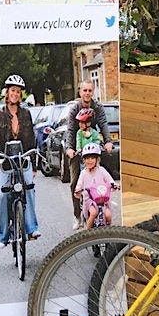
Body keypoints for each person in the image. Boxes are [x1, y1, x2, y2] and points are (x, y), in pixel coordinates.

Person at [0, 75, 40, 247]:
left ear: (20, 94)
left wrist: (34, 163)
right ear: (7, 93)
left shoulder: (26, 113)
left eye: (18, 91)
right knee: (2, 195)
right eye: (12, 91)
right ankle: (3, 236)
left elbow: (31, 139)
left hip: (23, 160)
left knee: (29, 189)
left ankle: (32, 228)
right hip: (5, 161)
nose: (15, 94)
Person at [62, 80, 112, 227]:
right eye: (85, 90)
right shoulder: (74, 109)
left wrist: (107, 141)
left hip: (92, 148)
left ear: (93, 92)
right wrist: (70, 149)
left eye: (90, 90)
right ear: (80, 92)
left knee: (99, 180)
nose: (87, 93)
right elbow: (71, 130)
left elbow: (103, 124)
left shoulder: (97, 107)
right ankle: (77, 215)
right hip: (78, 148)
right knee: (74, 182)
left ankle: (104, 210)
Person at [76, 143, 115, 229]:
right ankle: (88, 233)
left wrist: (114, 185)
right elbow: (79, 184)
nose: (89, 161)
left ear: (97, 159)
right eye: (87, 158)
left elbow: (109, 179)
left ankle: (109, 232)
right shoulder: (83, 173)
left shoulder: (101, 170)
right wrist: (78, 190)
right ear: (84, 160)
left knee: (108, 215)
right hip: (89, 200)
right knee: (93, 213)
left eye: (92, 158)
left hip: (102, 198)